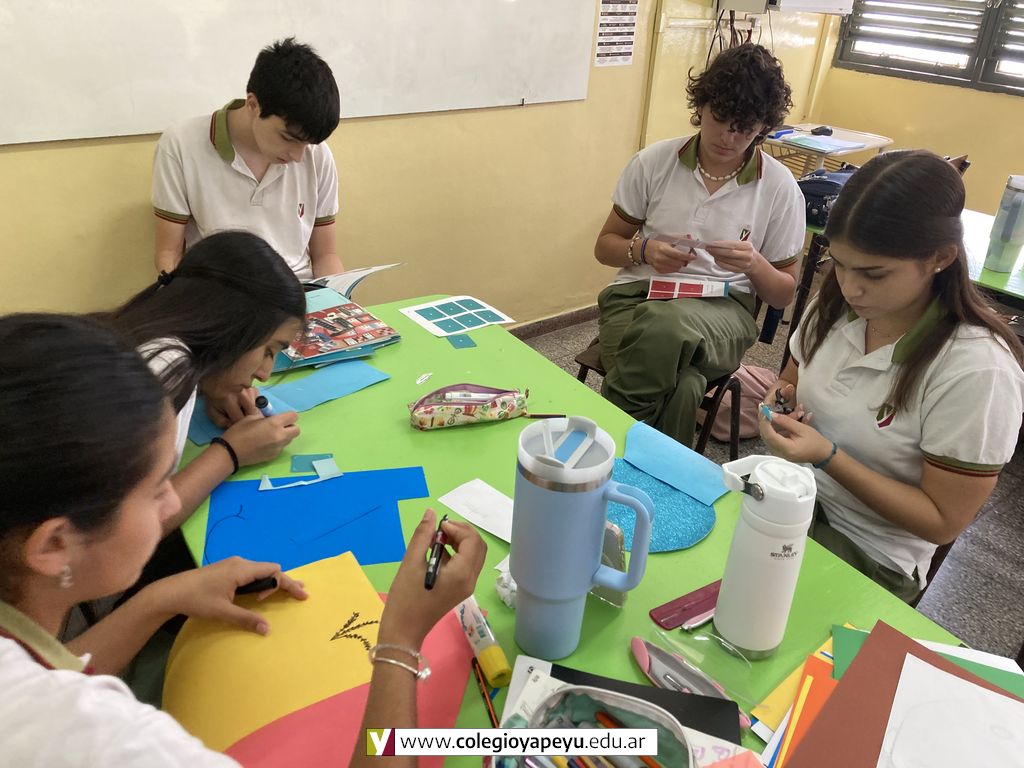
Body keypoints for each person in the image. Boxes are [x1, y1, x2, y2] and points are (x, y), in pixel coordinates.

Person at [0, 314, 486, 768]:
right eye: (156, 488)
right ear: (54, 544)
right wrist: (400, 639)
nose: (173, 503)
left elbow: (47, 673)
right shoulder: (117, 742)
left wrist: (161, 598)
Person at [759, 150, 1024, 602]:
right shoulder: (835, 307)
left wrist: (827, 457)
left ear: (940, 257)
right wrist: (779, 402)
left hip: (870, 554)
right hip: (787, 499)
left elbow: (942, 521)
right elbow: (790, 382)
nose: (850, 287)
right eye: (839, 264)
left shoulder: (977, 368)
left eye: (874, 274)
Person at [593, 43, 806, 448]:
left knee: (664, 325)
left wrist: (754, 264)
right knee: (685, 384)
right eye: (719, 118)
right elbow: (605, 246)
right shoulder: (654, 162)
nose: (728, 136)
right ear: (701, 105)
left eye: (745, 128)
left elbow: (783, 294)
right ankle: (659, 471)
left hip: (723, 309)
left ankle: (609, 442)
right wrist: (644, 250)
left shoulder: (779, 187)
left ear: (763, 126)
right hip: (636, 297)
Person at [101, 231, 305, 533]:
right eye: (268, 351)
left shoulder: (143, 330)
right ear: (231, 327)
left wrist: (210, 384)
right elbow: (129, 530)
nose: (264, 373)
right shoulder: (166, 367)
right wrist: (231, 452)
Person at [152, 38, 343, 280]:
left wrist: (336, 297)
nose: (297, 156)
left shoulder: (317, 155)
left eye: (307, 144)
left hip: (299, 290)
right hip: (220, 290)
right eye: (287, 138)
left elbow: (325, 255)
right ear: (253, 105)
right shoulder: (181, 144)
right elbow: (169, 253)